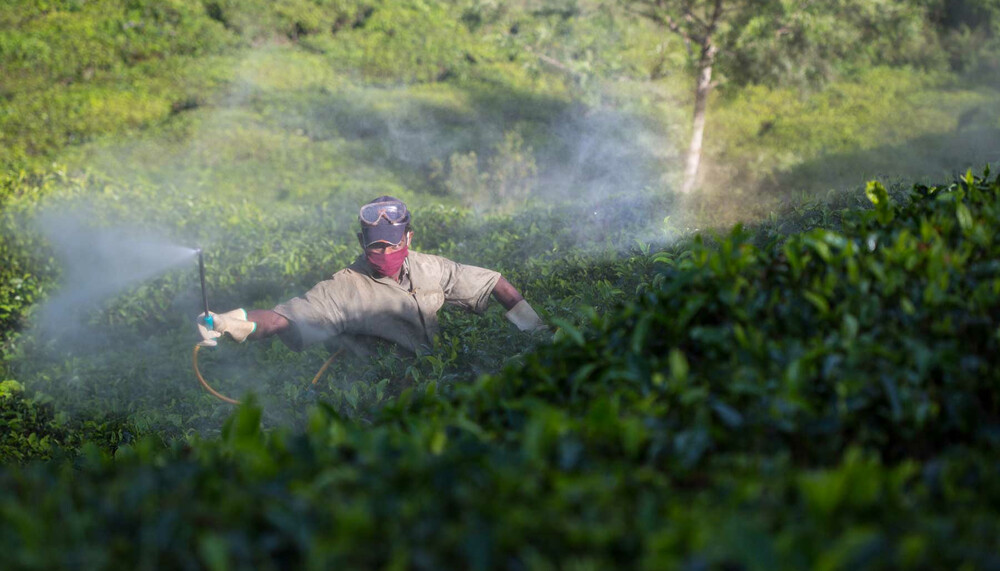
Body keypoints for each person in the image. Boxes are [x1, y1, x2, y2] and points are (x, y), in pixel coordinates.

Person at [196, 196, 546, 356]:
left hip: (433, 374)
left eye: (393, 246)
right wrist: (236, 321)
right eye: (375, 247)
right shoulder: (343, 288)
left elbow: (494, 283)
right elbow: (280, 319)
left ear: (408, 239)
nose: (384, 255)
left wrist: (536, 331)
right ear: (361, 243)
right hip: (380, 393)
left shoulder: (429, 267)